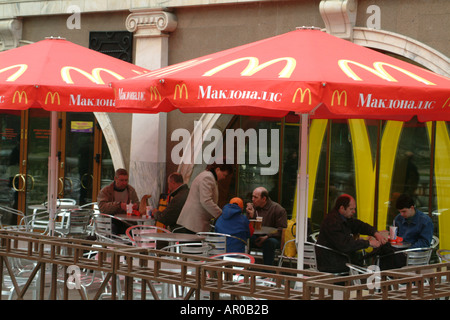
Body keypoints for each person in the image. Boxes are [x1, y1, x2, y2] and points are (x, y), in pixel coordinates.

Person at [316, 194, 386, 273]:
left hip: (338, 258)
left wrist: (375, 233)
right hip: (331, 262)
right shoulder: (333, 222)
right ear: (342, 208)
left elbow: (359, 225)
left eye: (354, 209)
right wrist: (368, 243)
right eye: (351, 209)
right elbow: (345, 245)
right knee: (364, 266)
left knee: (363, 263)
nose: (354, 211)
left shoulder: (343, 218)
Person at [176, 162, 233, 234]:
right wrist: (220, 214)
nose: (224, 178)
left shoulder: (208, 176)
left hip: (195, 222)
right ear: (218, 169)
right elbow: (206, 201)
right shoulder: (207, 177)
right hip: (194, 222)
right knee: (193, 244)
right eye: (224, 175)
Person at [247, 187, 287, 266]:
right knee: (245, 239)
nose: (252, 199)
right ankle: (244, 266)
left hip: (273, 238)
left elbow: (281, 229)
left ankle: (267, 270)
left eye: (255, 197)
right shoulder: (253, 208)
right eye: (252, 196)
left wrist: (267, 236)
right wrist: (251, 216)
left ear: (264, 199)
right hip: (257, 236)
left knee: (269, 243)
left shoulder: (278, 209)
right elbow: (248, 227)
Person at [97, 168, 139, 234]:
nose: (124, 183)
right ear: (115, 179)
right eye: (121, 180)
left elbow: (136, 203)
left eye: (126, 180)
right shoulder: (106, 191)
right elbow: (102, 207)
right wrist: (119, 205)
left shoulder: (131, 190)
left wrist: (136, 206)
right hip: (110, 220)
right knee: (113, 229)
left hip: (126, 221)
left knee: (135, 230)